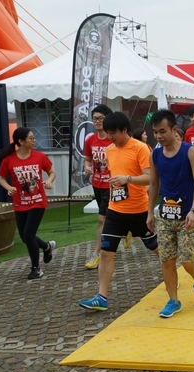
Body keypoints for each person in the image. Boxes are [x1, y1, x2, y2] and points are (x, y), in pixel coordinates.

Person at [78, 112, 158, 311]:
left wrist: (127, 179)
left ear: (124, 130)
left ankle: (173, 271)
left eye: (113, 132)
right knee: (106, 252)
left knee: (156, 248)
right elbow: (114, 176)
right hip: (115, 210)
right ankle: (101, 297)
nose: (110, 136)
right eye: (108, 132)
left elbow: (150, 178)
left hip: (138, 210)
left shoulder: (140, 148)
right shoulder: (109, 150)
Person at [146, 109, 194, 318]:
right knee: (167, 260)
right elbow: (154, 184)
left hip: (188, 216)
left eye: (162, 131)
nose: (159, 136)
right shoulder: (155, 155)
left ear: (174, 129)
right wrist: (150, 213)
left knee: (187, 259)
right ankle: (173, 300)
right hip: (165, 216)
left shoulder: (189, 152)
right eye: (155, 132)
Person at [0, 127, 57, 280]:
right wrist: (9, 188)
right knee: (25, 237)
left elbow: (52, 172)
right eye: (31, 138)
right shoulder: (9, 159)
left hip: (38, 201)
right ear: (21, 141)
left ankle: (36, 268)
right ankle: (46, 246)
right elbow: (1, 178)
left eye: (34, 137)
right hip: (20, 203)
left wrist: (49, 181)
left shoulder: (40, 156)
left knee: (29, 234)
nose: (34, 140)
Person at [83, 104, 125, 270]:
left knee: (102, 219)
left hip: (112, 184)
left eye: (101, 118)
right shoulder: (90, 140)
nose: (98, 121)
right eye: (95, 118)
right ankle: (126, 230)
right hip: (97, 184)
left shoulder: (113, 139)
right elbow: (88, 159)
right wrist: (87, 167)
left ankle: (97, 254)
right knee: (113, 216)